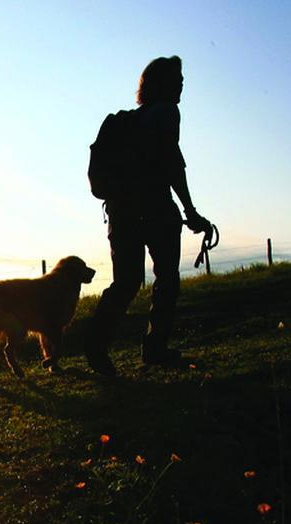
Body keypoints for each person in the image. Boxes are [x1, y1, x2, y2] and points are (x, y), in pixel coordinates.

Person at [84, 56, 213, 376]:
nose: (182, 84)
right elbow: (172, 163)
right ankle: (154, 348)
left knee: (126, 282)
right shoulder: (167, 112)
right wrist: (191, 211)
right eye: (177, 79)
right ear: (161, 84)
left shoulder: (126, 122)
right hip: (155, 207)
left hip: (121, 211)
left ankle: (96, 345)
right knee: (167, 279)